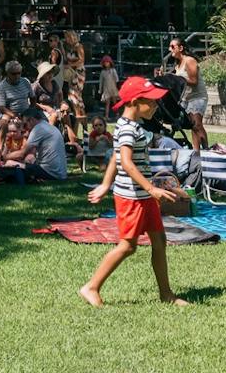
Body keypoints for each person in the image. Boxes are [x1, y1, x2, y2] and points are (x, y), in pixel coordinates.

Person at [80, 77, 189, 308]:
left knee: (160, 241)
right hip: (132, 197)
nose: (156, 106)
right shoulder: (128, 128)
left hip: (143, 195)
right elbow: (126, 163)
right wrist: (152, 188)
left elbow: (116, 159)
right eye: (152, 102)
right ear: (136, 102)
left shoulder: (132, 125)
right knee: (128, 246)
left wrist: (105, 185)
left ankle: (166, 294)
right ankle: (91, 287)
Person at [164, 38, 207, 151]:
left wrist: (177, 78)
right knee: (193, 126)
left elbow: (194, 81)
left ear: (181, 48)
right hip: (186, 99)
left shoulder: (189, 60)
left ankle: (207, 151)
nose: (170, 49)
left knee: (197, 125)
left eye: (172, 46)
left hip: (197, 97)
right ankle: (196, 152)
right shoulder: (177, 65)